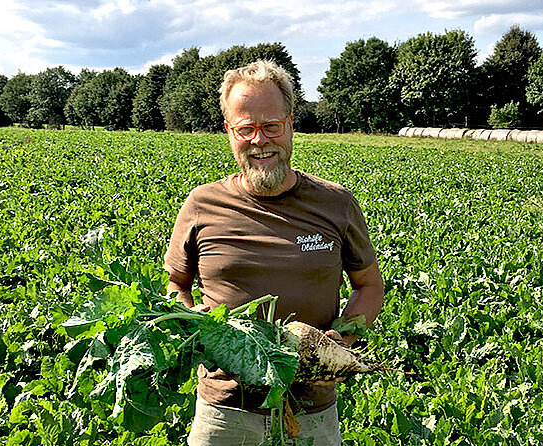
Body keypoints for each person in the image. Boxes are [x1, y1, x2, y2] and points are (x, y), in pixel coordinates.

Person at [164, 60, 383, 446]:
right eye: (245, 128)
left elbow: (368, 285)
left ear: (290, 123)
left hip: (312, 410)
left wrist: (343, 340)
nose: (259, 140)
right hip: (225, 412)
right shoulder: (202, 204)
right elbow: (176, 284)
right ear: (230, 132)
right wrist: (189, 316)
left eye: (271, 126)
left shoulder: (335, 203)